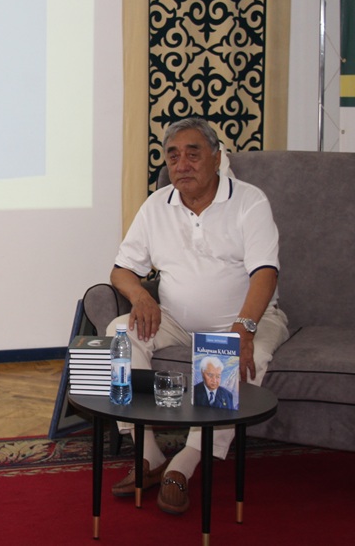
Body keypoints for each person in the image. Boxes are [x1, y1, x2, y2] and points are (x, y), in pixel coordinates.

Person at [107, 117, 289, 515]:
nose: (182, 164)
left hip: (245, 319)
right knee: (118, 335)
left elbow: (265, 273)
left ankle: (185, 464)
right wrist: (140, 295)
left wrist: (243, 329)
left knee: (237, 357)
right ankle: (148, 453)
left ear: (217, 157)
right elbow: (121, 270)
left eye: (193, 154)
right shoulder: (157, 205)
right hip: (174, 320)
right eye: (173, 156)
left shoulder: (249, 201)